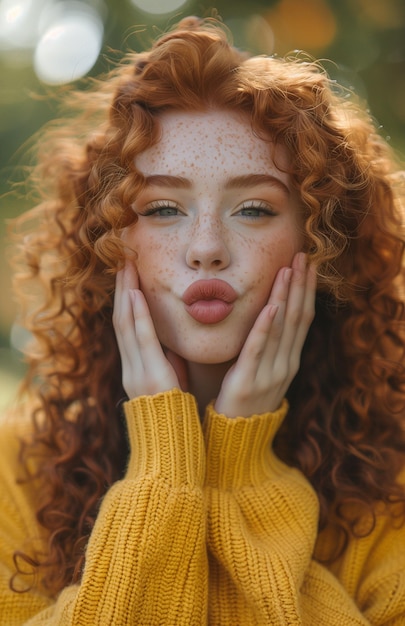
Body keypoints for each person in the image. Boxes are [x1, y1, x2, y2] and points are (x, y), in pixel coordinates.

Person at [1, 14, 405, 625]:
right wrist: (167, 465)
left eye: (252, 208)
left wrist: (241, 466)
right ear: (111, 240)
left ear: (319, 240)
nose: (206, 247)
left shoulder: (394, 485)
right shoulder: (15, 474)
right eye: (164, 208)